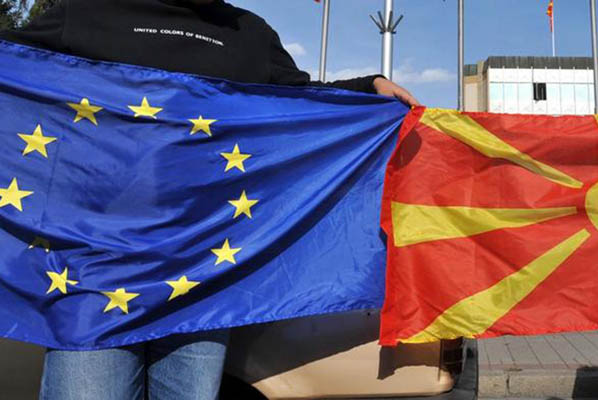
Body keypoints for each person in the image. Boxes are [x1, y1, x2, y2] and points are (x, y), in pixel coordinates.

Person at [0, 1, 418, 399]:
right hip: (93, 273)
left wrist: (369, 89)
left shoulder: (249, 33)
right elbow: (13, 66)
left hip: (201, 273)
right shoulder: (87, 12)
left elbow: (301, 102)